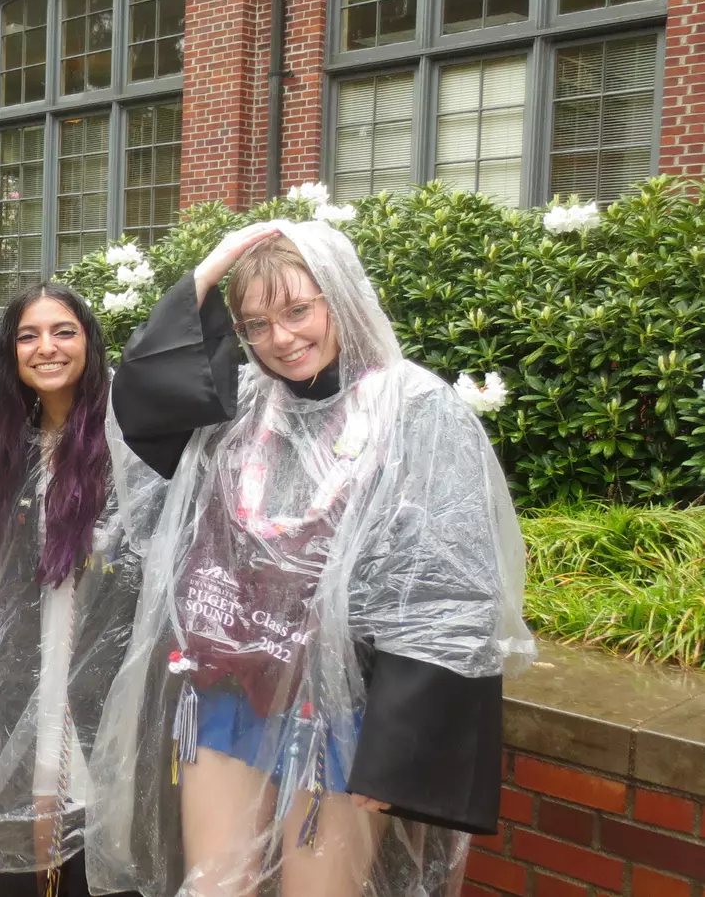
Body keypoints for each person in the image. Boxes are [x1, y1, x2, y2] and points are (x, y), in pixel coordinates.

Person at [84, 221, 534, 897]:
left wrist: (397, 750)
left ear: (341, 296)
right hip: (232, 684)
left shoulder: (415, 410)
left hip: (343, 706)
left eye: (298, 309)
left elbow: (447, 586)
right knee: (213, 885)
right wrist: (208, 270)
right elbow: (143, 407)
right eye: (256, 323)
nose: (281, 338)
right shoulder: (237, 406)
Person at [0, 283, 161, 896]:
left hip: (104, 665)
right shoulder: (3, 447)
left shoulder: (125, 440)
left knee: (106, 805)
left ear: (89, 342)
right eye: (28, 335)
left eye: (63, 331)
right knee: (36, 800)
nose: (46, 348)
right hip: (32, 659)